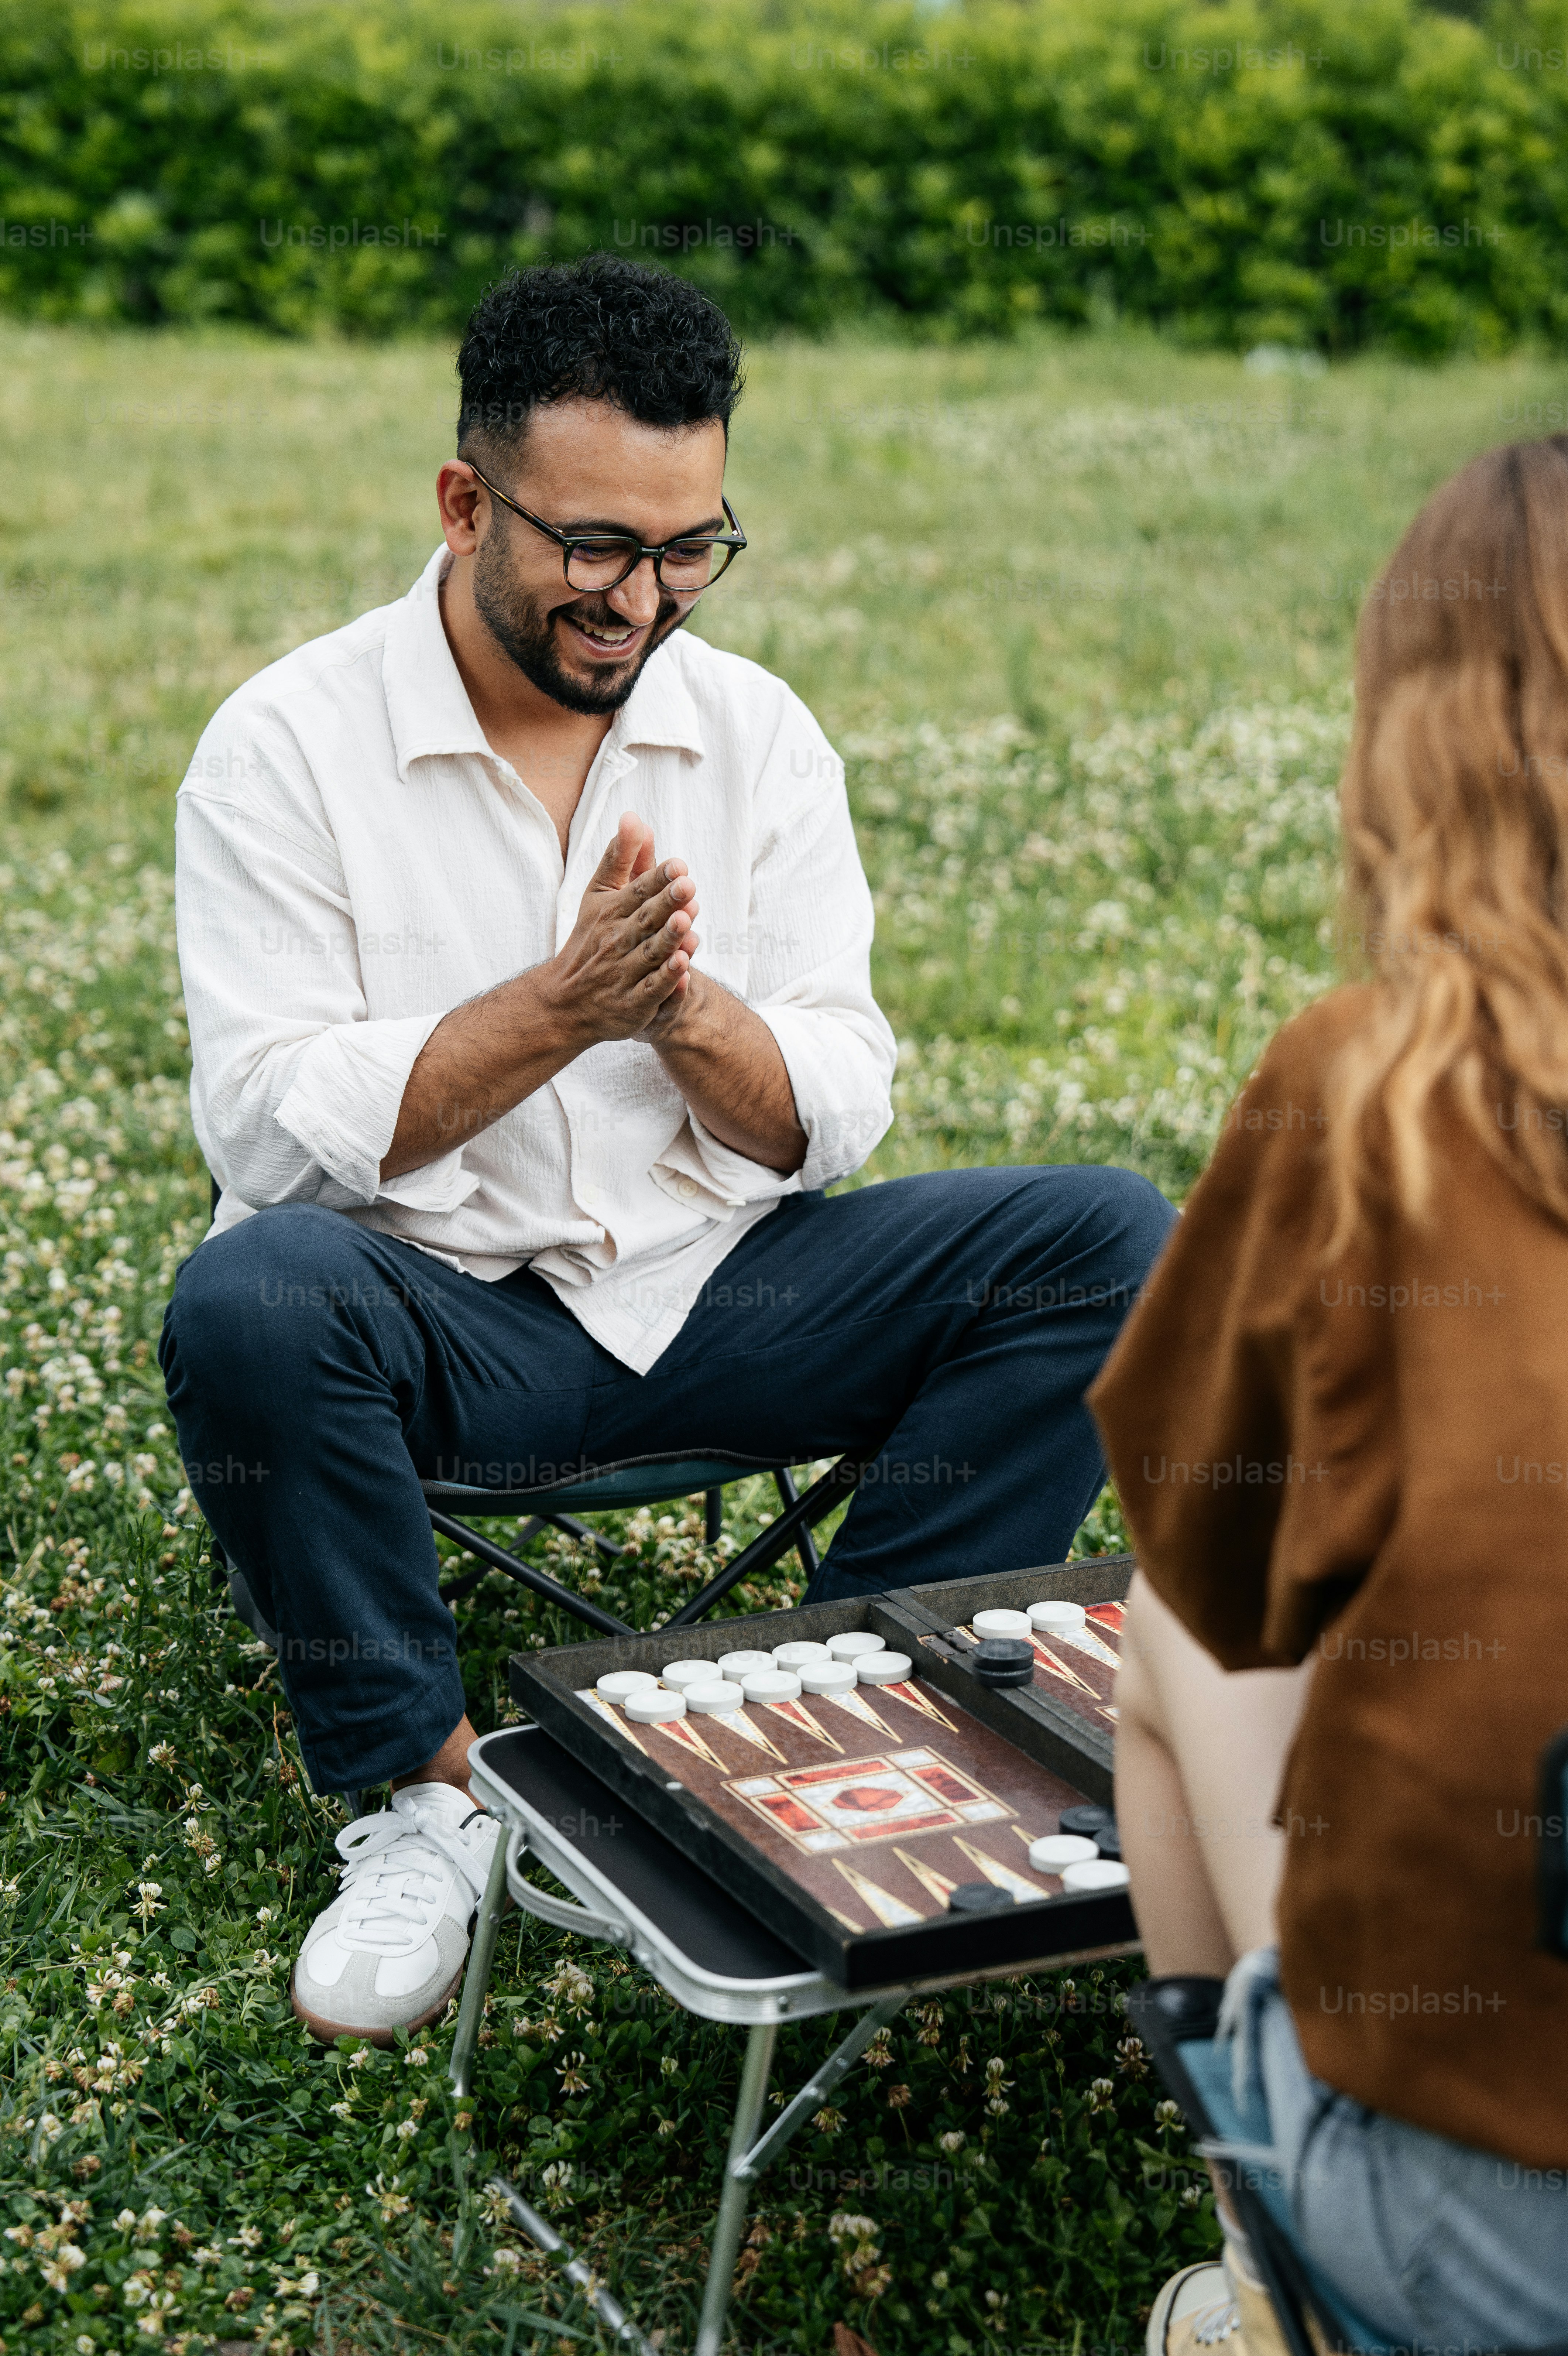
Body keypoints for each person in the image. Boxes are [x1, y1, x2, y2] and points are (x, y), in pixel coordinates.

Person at [158, 253, 1174, 2043]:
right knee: (248, 1293)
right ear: (468, 500)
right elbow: (264, 1131)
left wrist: (680, 1009)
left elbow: (836, 1092)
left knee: (1096, 1231)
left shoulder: (757, 733)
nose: (643, 595)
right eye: (595, 547)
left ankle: (858, 1703)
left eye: (688, 545)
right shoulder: (284, 747)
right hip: (437, 1317)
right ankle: (426, 1797)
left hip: (718, 1289)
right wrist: (552, 1009)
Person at [1090, 436, 1568, 2353]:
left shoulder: (1366, 1085)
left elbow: (1211, 1542)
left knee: (1164, 1647)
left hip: (1490, 2214)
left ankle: (1264, 2284)